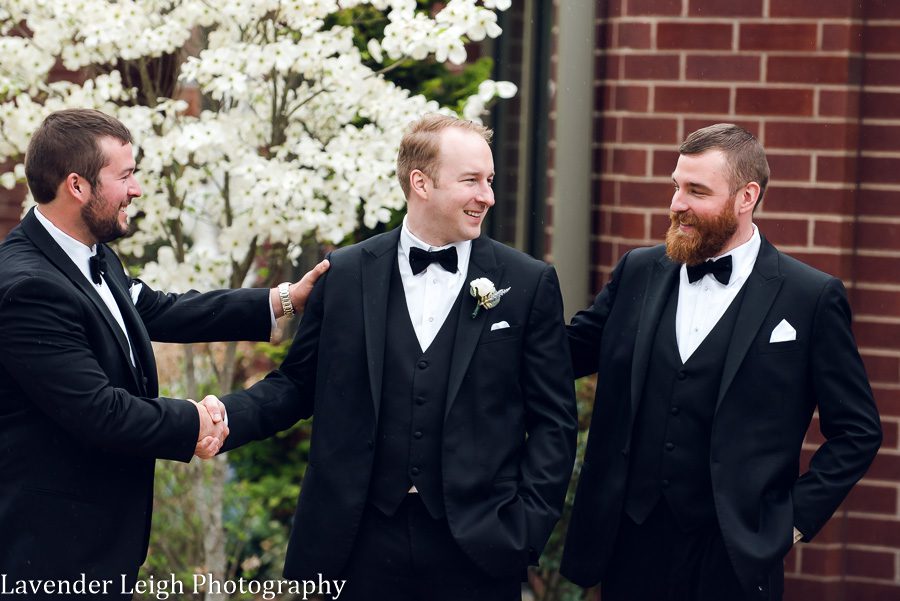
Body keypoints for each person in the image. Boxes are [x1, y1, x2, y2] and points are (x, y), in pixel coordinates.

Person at [219, 114, 578, 600]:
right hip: (354, 545)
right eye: (471, 181)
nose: (488, 196)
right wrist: (222, 418)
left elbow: (554, 421)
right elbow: (297, 385)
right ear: (420, 183)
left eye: (490, 180)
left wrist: (525, 529)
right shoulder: (346, 274)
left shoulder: (528, 283)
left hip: (478, 547)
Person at [0, 108, 326, 597]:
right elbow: (100, 411)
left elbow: (158, 309)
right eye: (125, 176)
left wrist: (285, 299)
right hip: (51, 554)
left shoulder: (92, 254)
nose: (136, 189)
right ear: (77, 186)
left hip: (102, 543)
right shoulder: (28, 288)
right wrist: (198, 422)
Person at [559, 123, 882, 601]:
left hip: (734, 556)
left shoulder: (809, 297)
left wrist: (791, 522)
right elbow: (562, 355)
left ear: (746, 196)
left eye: (697, 191)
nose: (676, 204)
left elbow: (858, 430)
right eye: (676, 186)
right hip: (630, 545)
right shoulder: (638, 272)